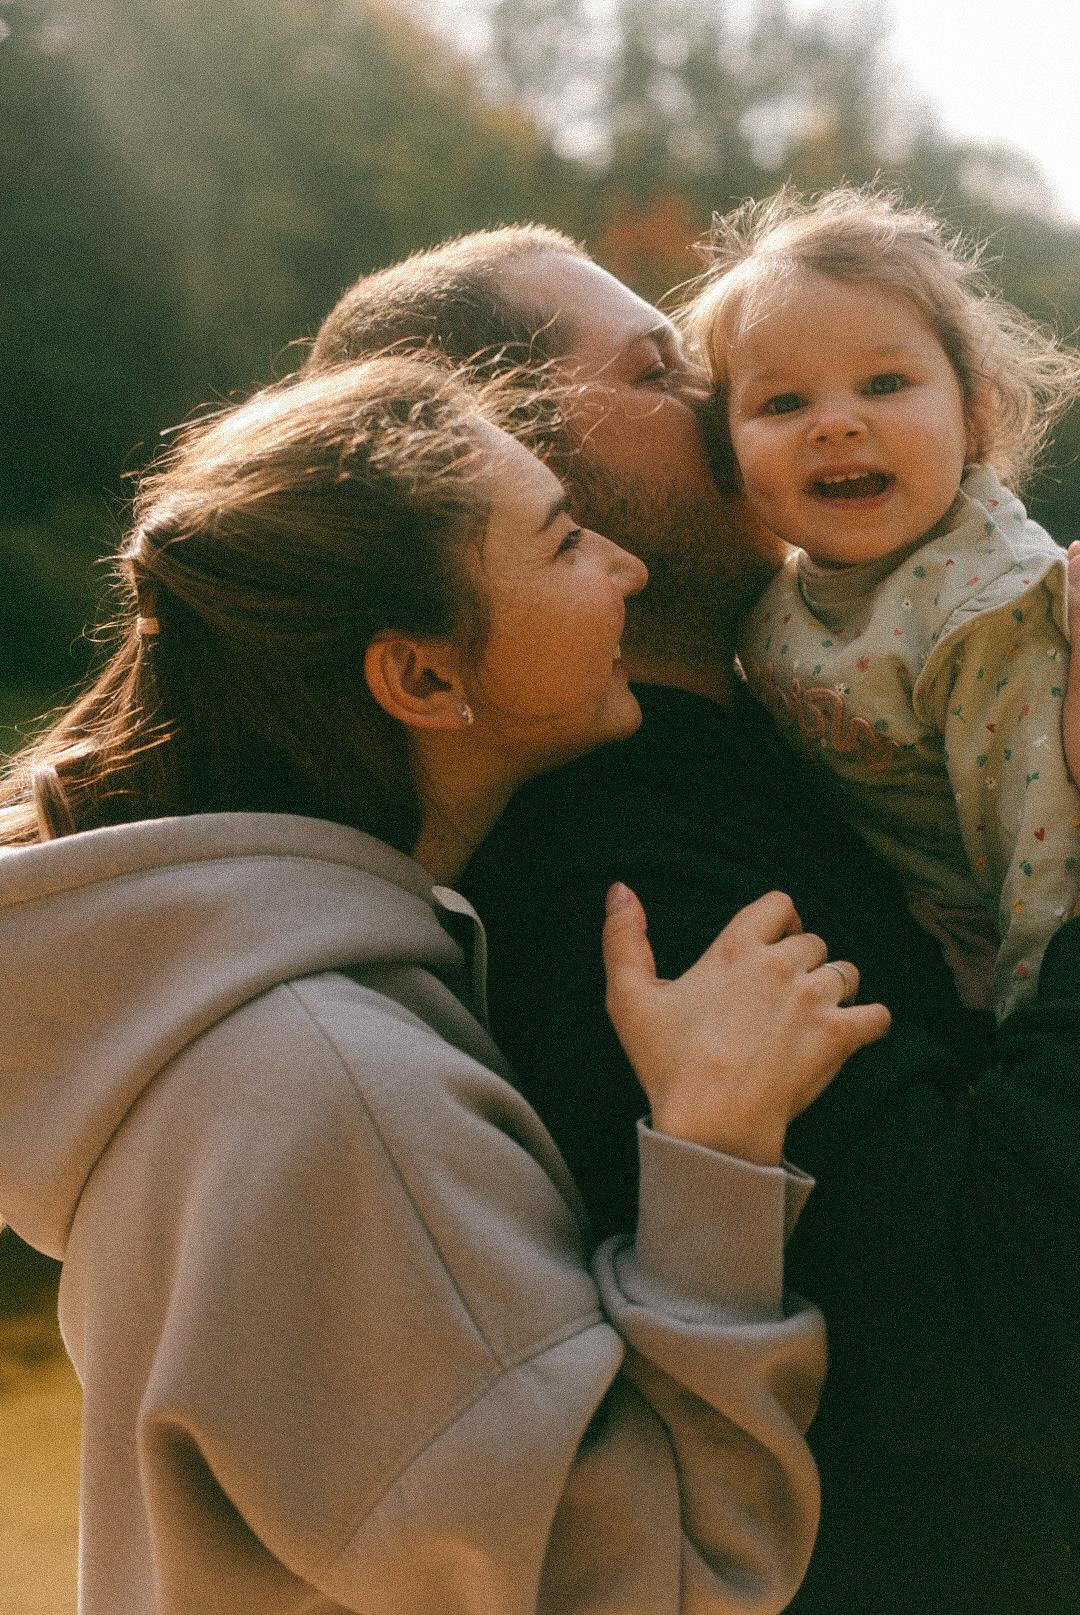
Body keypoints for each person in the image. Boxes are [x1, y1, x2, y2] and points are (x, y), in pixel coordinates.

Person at [0, 355, 885, 1614]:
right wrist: (715, 1149)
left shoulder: (223, 1019)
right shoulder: (337, 1087)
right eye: (567, 541)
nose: (626, 568)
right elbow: (664, 1585)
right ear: (423, 678)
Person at [309, 228, 1080, 1614]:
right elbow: (1013, 1325)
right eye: (669, 371)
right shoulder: (629, 874)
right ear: (512, 460)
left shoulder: (811, 737)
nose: (737, 394)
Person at [684, 186, 1080, 1017]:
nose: (836, 425)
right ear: (727, 449)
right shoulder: (774, 586)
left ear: (974, 416)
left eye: (885, 383)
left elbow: (1040, 850)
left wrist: (1030, 1038)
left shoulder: (988, 611)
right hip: (884, 928)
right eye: (783, 403)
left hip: (1001, 954)